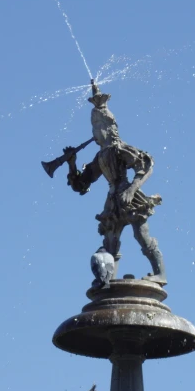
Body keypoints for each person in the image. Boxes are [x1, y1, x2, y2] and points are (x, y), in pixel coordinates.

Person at [64, 81, 166, 285]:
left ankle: (160, 273)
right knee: (110, 241)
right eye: (94, 127)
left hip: (129, 195)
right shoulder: (99, 157)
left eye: (100, 126)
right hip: (112, 199)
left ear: (110, 128)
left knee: (141, 235)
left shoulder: (120, 149)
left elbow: (146, 165)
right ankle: (107, 280)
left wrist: (132, 189)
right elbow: (81, 185)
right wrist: (71, 164)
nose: (96, 131)